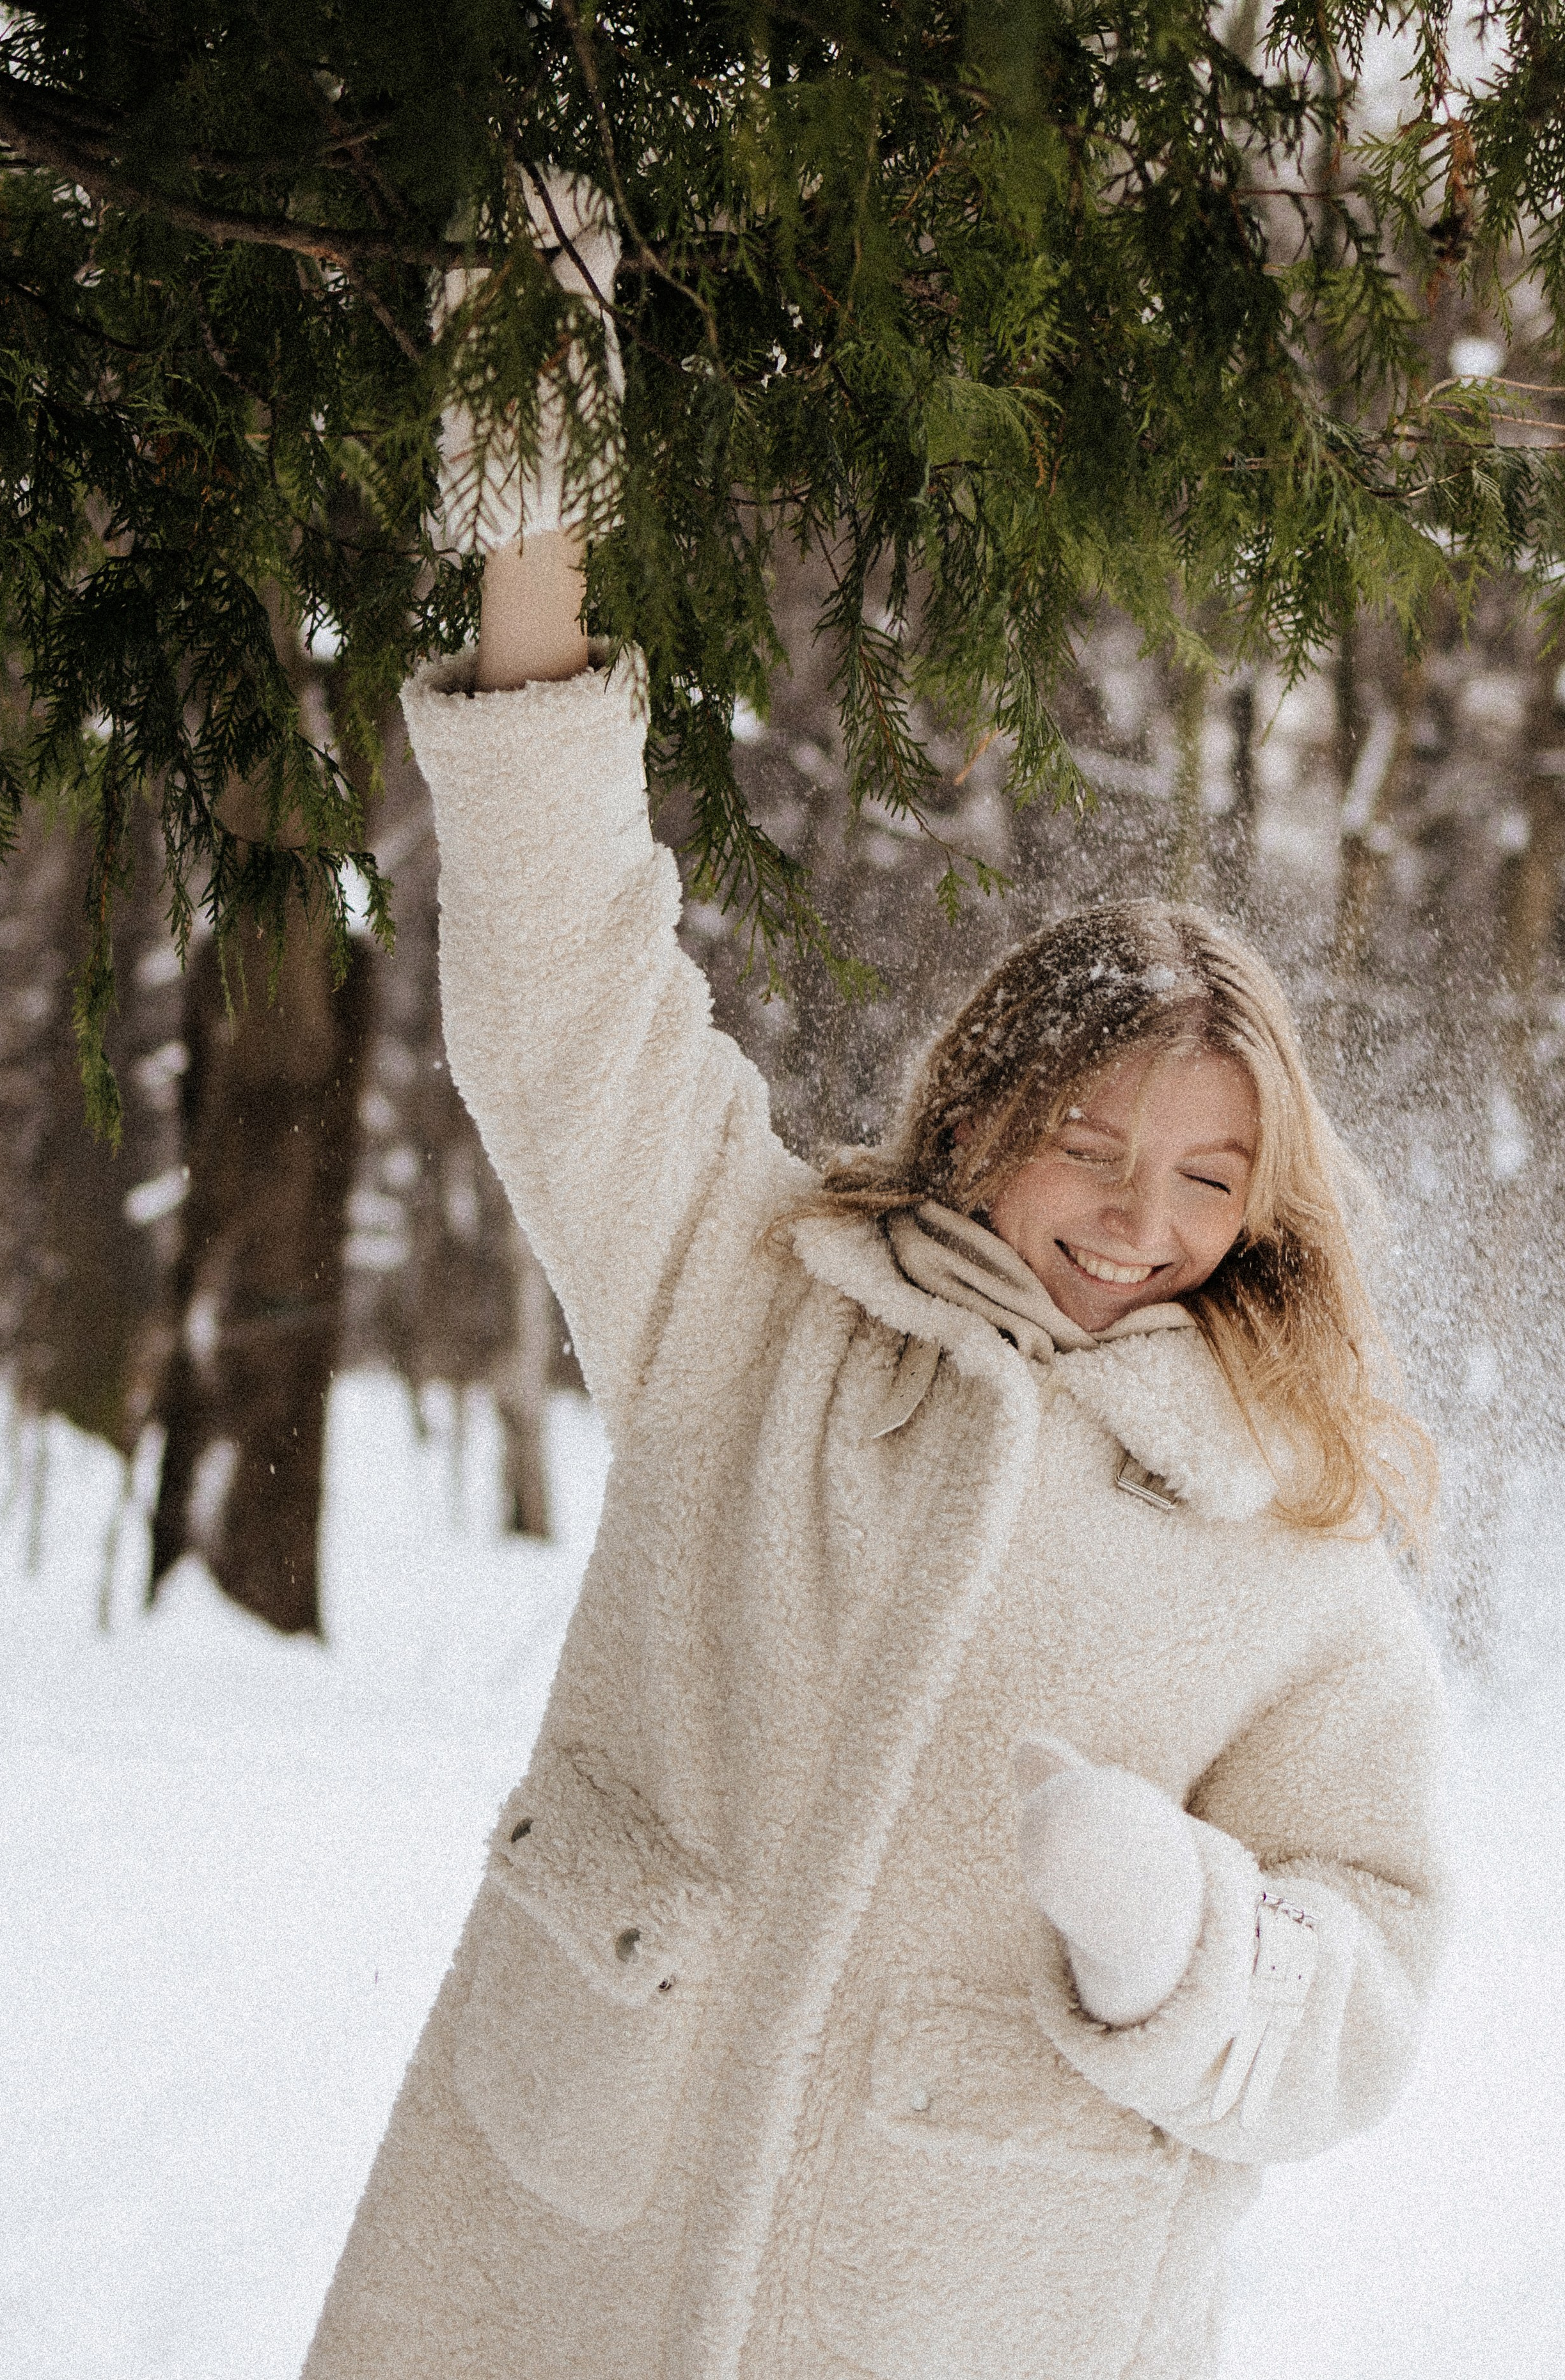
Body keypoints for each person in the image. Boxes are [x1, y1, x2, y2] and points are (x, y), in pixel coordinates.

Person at [301, 189, 1445, 2380]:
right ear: (985, 1102)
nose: (1134, 1218)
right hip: (584, 2233)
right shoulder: (757, 1311)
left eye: (1207, 1175)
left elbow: (1364, 1992)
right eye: (1089, 1143)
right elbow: (564, 991)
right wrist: (529, 521)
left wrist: (1179, 1936)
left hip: (967, 2303)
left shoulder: (1285, 1528)